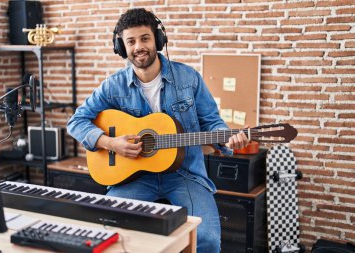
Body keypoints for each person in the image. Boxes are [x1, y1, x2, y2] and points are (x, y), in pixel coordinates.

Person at [67, 8, 248, 253]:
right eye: (131, 41)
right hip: (133, 177)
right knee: (108, 231)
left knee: (205, 239)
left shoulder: (189, 78)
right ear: (122, 47)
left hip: (186, 175)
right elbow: (76, 122)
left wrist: (227, 139)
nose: (138, 47)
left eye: (144, 38)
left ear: (158, 40)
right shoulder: (113, 85)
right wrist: (111, 144)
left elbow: (212, 123)